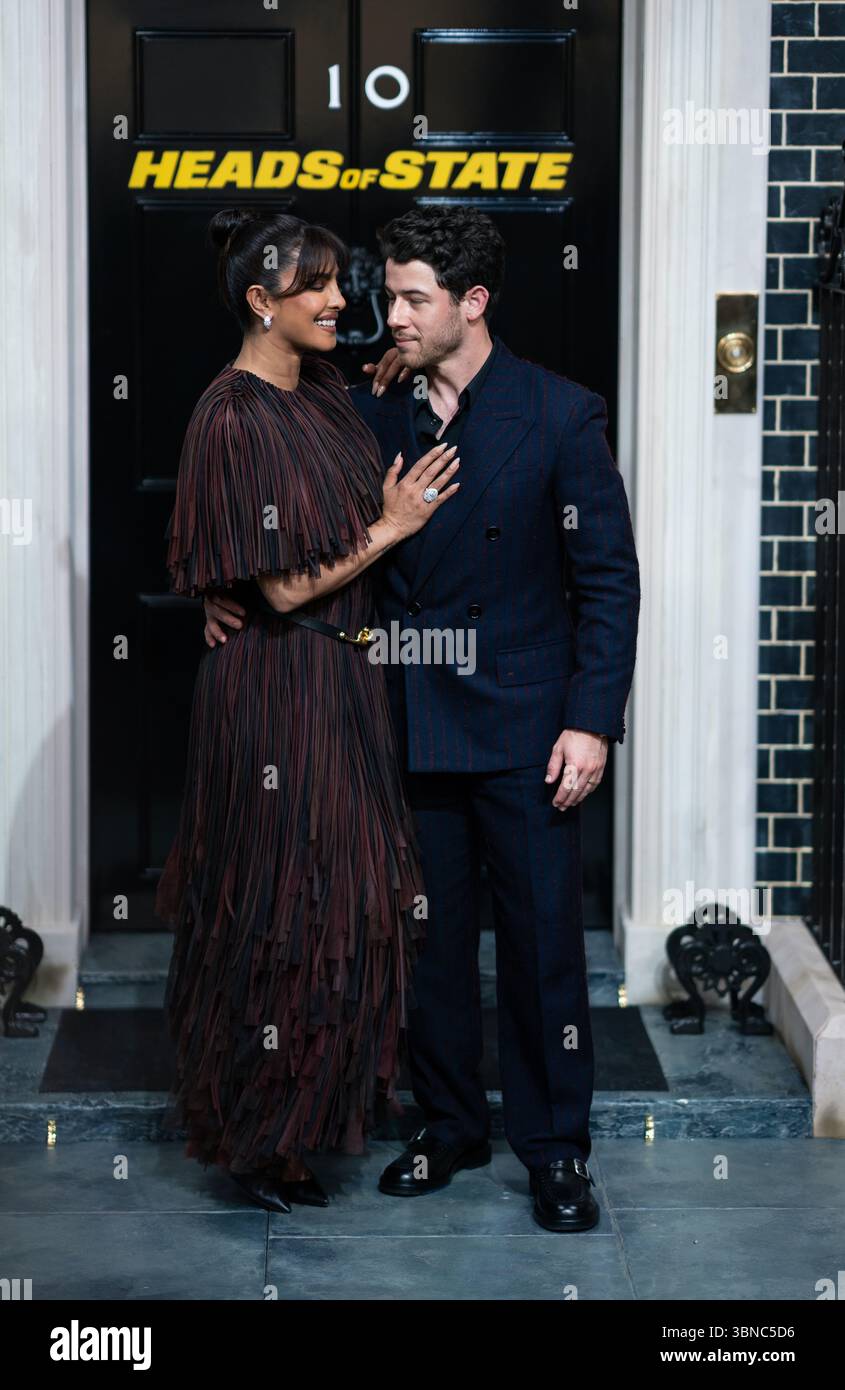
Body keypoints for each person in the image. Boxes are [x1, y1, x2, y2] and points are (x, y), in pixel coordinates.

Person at [204, 205, 640, 1233]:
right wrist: (220, 590)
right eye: (386, 293)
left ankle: (553, 1149)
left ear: (470, 303)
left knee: (539, 948)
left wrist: (591, 721)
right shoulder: (364, 409)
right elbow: (274, 507)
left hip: (530, 729)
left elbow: (606, 582)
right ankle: (447, 1126)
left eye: (409, 299)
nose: (385, 314)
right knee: (427, 943)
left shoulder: (559, 413)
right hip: (401, 713)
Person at [154, 207, 460, 1215]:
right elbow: (282, 592)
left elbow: (373, 401)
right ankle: (255, 1135)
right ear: (259, 300)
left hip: (344, 684)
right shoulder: (229, 415)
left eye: (343, 281)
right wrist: (390, 525)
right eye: (318, 287)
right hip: (276, 691)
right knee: (278, 913)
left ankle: (302, 1125)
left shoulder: (325, 385)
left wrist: (398, 376)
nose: (343, 301)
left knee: (343, 909)